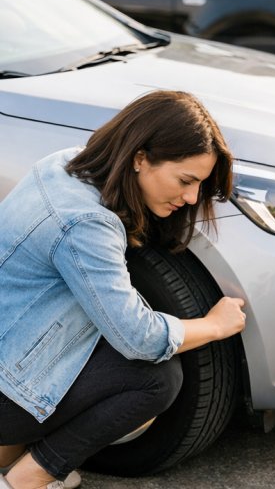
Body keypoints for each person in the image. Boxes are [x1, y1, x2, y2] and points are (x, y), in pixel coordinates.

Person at [0, 91, 246, 489]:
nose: (191, 198)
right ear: (140, 158)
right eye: (185, 181)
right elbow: (141, 340)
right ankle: (28, 478)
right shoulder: (86, 223)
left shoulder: (65, 163)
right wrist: (214, 325)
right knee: (157, 378)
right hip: (8, 386)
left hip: (9, 354)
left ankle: (8, 454)